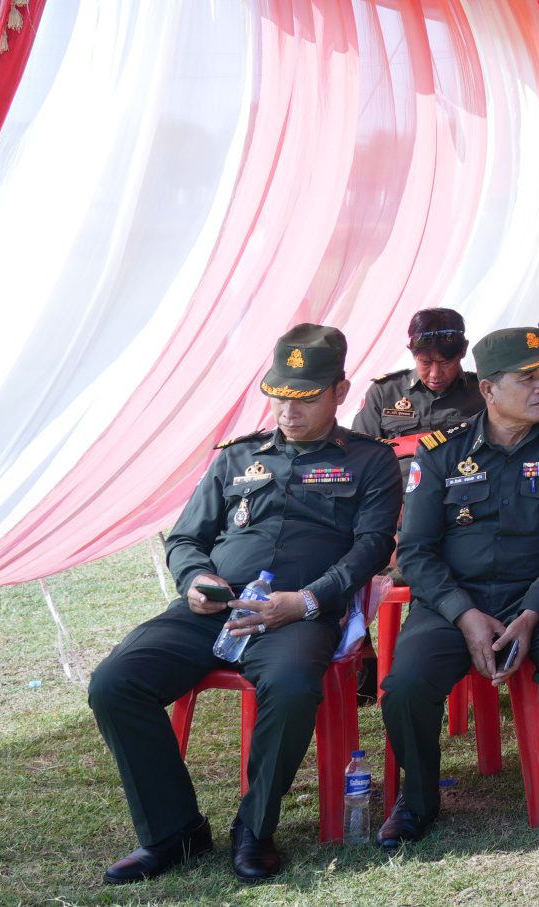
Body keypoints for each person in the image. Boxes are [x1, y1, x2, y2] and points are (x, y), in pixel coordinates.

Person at [87, 329, 398, 883]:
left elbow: (371, 548)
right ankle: (174, 832)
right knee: (115, 682)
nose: (288, 411)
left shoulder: (370, 461)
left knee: (292, 686)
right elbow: (186, 538)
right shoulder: (237, 457)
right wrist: (196, 578)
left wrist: (306, 600)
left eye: (304, 399)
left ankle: (254, 828)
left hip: (298, 613)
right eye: (278, 397)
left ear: (340, 391)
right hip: (217, 608)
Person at [379, 326, 539, 845]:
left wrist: (531, 614)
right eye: (527, 378)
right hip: (455, 601)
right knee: (405, 685)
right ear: (488, 389)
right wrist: (464, 615)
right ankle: (418, 798)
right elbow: (415, 551)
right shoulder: (441, 452)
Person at [349, 308, 482, 439]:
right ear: (411, 351)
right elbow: (361, 447)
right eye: (426, 363)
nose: (435, 374)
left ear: (464, 350)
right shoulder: (384, 392)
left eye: (444, 363)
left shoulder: (483, 393)